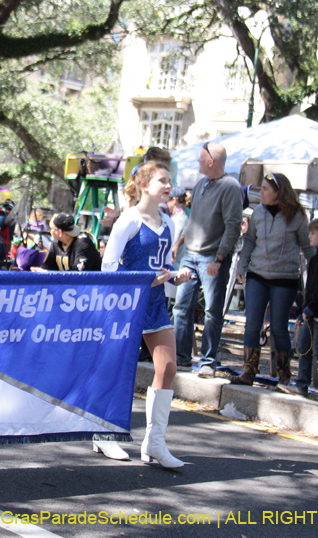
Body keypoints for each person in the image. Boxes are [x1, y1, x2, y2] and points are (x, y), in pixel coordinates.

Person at [100, 161, 192, 465]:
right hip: (125, 304)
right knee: (118, 371)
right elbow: (109, 266)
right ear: (144, 185)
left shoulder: (170, 222)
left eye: (170, 181)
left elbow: (160, 265)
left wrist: (174, 276)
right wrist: (144, 280)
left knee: (167, 368)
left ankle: (154, 443)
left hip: (154, 303)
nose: (169, 186)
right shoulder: (129, 219)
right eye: (162, 181)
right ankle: (105, 433)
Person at [230, 172, 315, 386]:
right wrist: (242, 265)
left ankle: (284, 375)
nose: (262, 193)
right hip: (257, 275)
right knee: (252, 324)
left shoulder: (297, 216)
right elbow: (249, 241)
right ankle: (248, 372)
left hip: (285, 278)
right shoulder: (258, 212)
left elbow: (307, 246)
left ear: (279, 192)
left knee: (278, 327)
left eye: (266, 189)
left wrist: (317, 271)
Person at [172, 142, 243, 377]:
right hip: (190, 255)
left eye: (201, 158)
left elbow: (233, 227)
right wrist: (179, 243)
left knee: (212, 310)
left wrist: (220, 258)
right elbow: (194, 220)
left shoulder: (230, 187)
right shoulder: (201, 184)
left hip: (212, 256)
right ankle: (181, 357)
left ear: (211, 162)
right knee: (181, 307)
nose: (198, 162)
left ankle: (208, 361)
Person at [279, 218, 318, 399]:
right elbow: (312, 289)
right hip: (311, 313)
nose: (309, 236)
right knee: (303, 348)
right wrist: (304, 310)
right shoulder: (315, 258)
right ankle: (302, 384)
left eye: (312, 233)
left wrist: (310, 309)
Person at [32, 213, 102, 272]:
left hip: (90, 286)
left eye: (51, 228)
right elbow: (50, 264)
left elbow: (77, 273)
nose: (49, 231)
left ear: (59, 232)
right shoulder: (56, 243)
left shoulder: (83, 243)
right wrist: (40, 270)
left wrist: (47, 272)